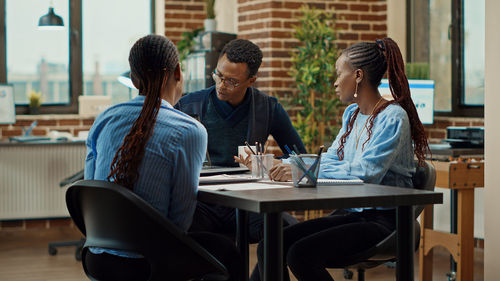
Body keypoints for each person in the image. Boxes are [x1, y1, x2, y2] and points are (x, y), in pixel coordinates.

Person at [251, 37, 429, 281]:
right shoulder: (352, 114)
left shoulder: (393, 117)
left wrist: (305, 170)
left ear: (357, 75)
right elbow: (332, 158)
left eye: (338, 74)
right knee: (271, 244)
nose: (335, 82)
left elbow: (365, 173)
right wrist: (291, 166)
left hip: (387, 221)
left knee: (301, 254)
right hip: (355, 213)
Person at [85, 34, 241, 281]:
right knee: (229, 252)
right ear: (178, 72)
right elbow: (180, 222)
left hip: (97, 259)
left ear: (134, 79)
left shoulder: (104, 119)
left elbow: (91, 191)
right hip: (151, 263)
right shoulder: (190, 130)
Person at [176, 38, 303, 243]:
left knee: (285, 231)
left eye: (232, 81)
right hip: (202, 204)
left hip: (247, 203)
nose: (221, 85)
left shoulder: (268, 108)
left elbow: (298, 155)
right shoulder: (188, 106)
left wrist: (271, 162)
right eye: (218, 75)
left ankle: (258, 276)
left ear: (251, 81)